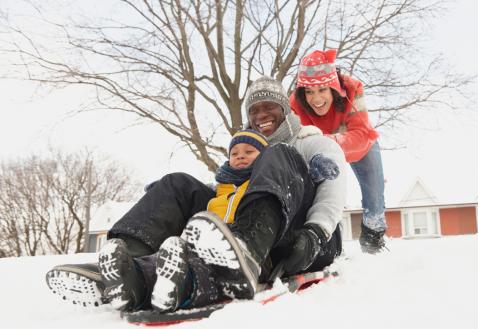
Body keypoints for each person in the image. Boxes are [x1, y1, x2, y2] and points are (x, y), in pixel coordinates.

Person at [47, 96, 346, 313]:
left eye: (270, 107)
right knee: (177, 183)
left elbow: (334, 187)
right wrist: (168, 200)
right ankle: (127, 267)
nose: (262, 114)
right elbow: (222, 199)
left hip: (305, 238)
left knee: (278, 154)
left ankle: (249, 252)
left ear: (286, 112)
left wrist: (317, 232)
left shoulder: (307, 143)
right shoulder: (242, 164)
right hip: (240, 231)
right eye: (254, 110)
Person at [289, 49, 388, 254]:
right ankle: (326, 243)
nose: (316, 99)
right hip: (322, 155)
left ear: (333, 87)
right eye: (309, 91)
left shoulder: (353, 89)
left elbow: (361, 134)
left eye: (322, 90)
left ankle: (373, 244)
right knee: (320, 194)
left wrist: (324, 141)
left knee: (375, 198)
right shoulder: (295, 105)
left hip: (360, 147)